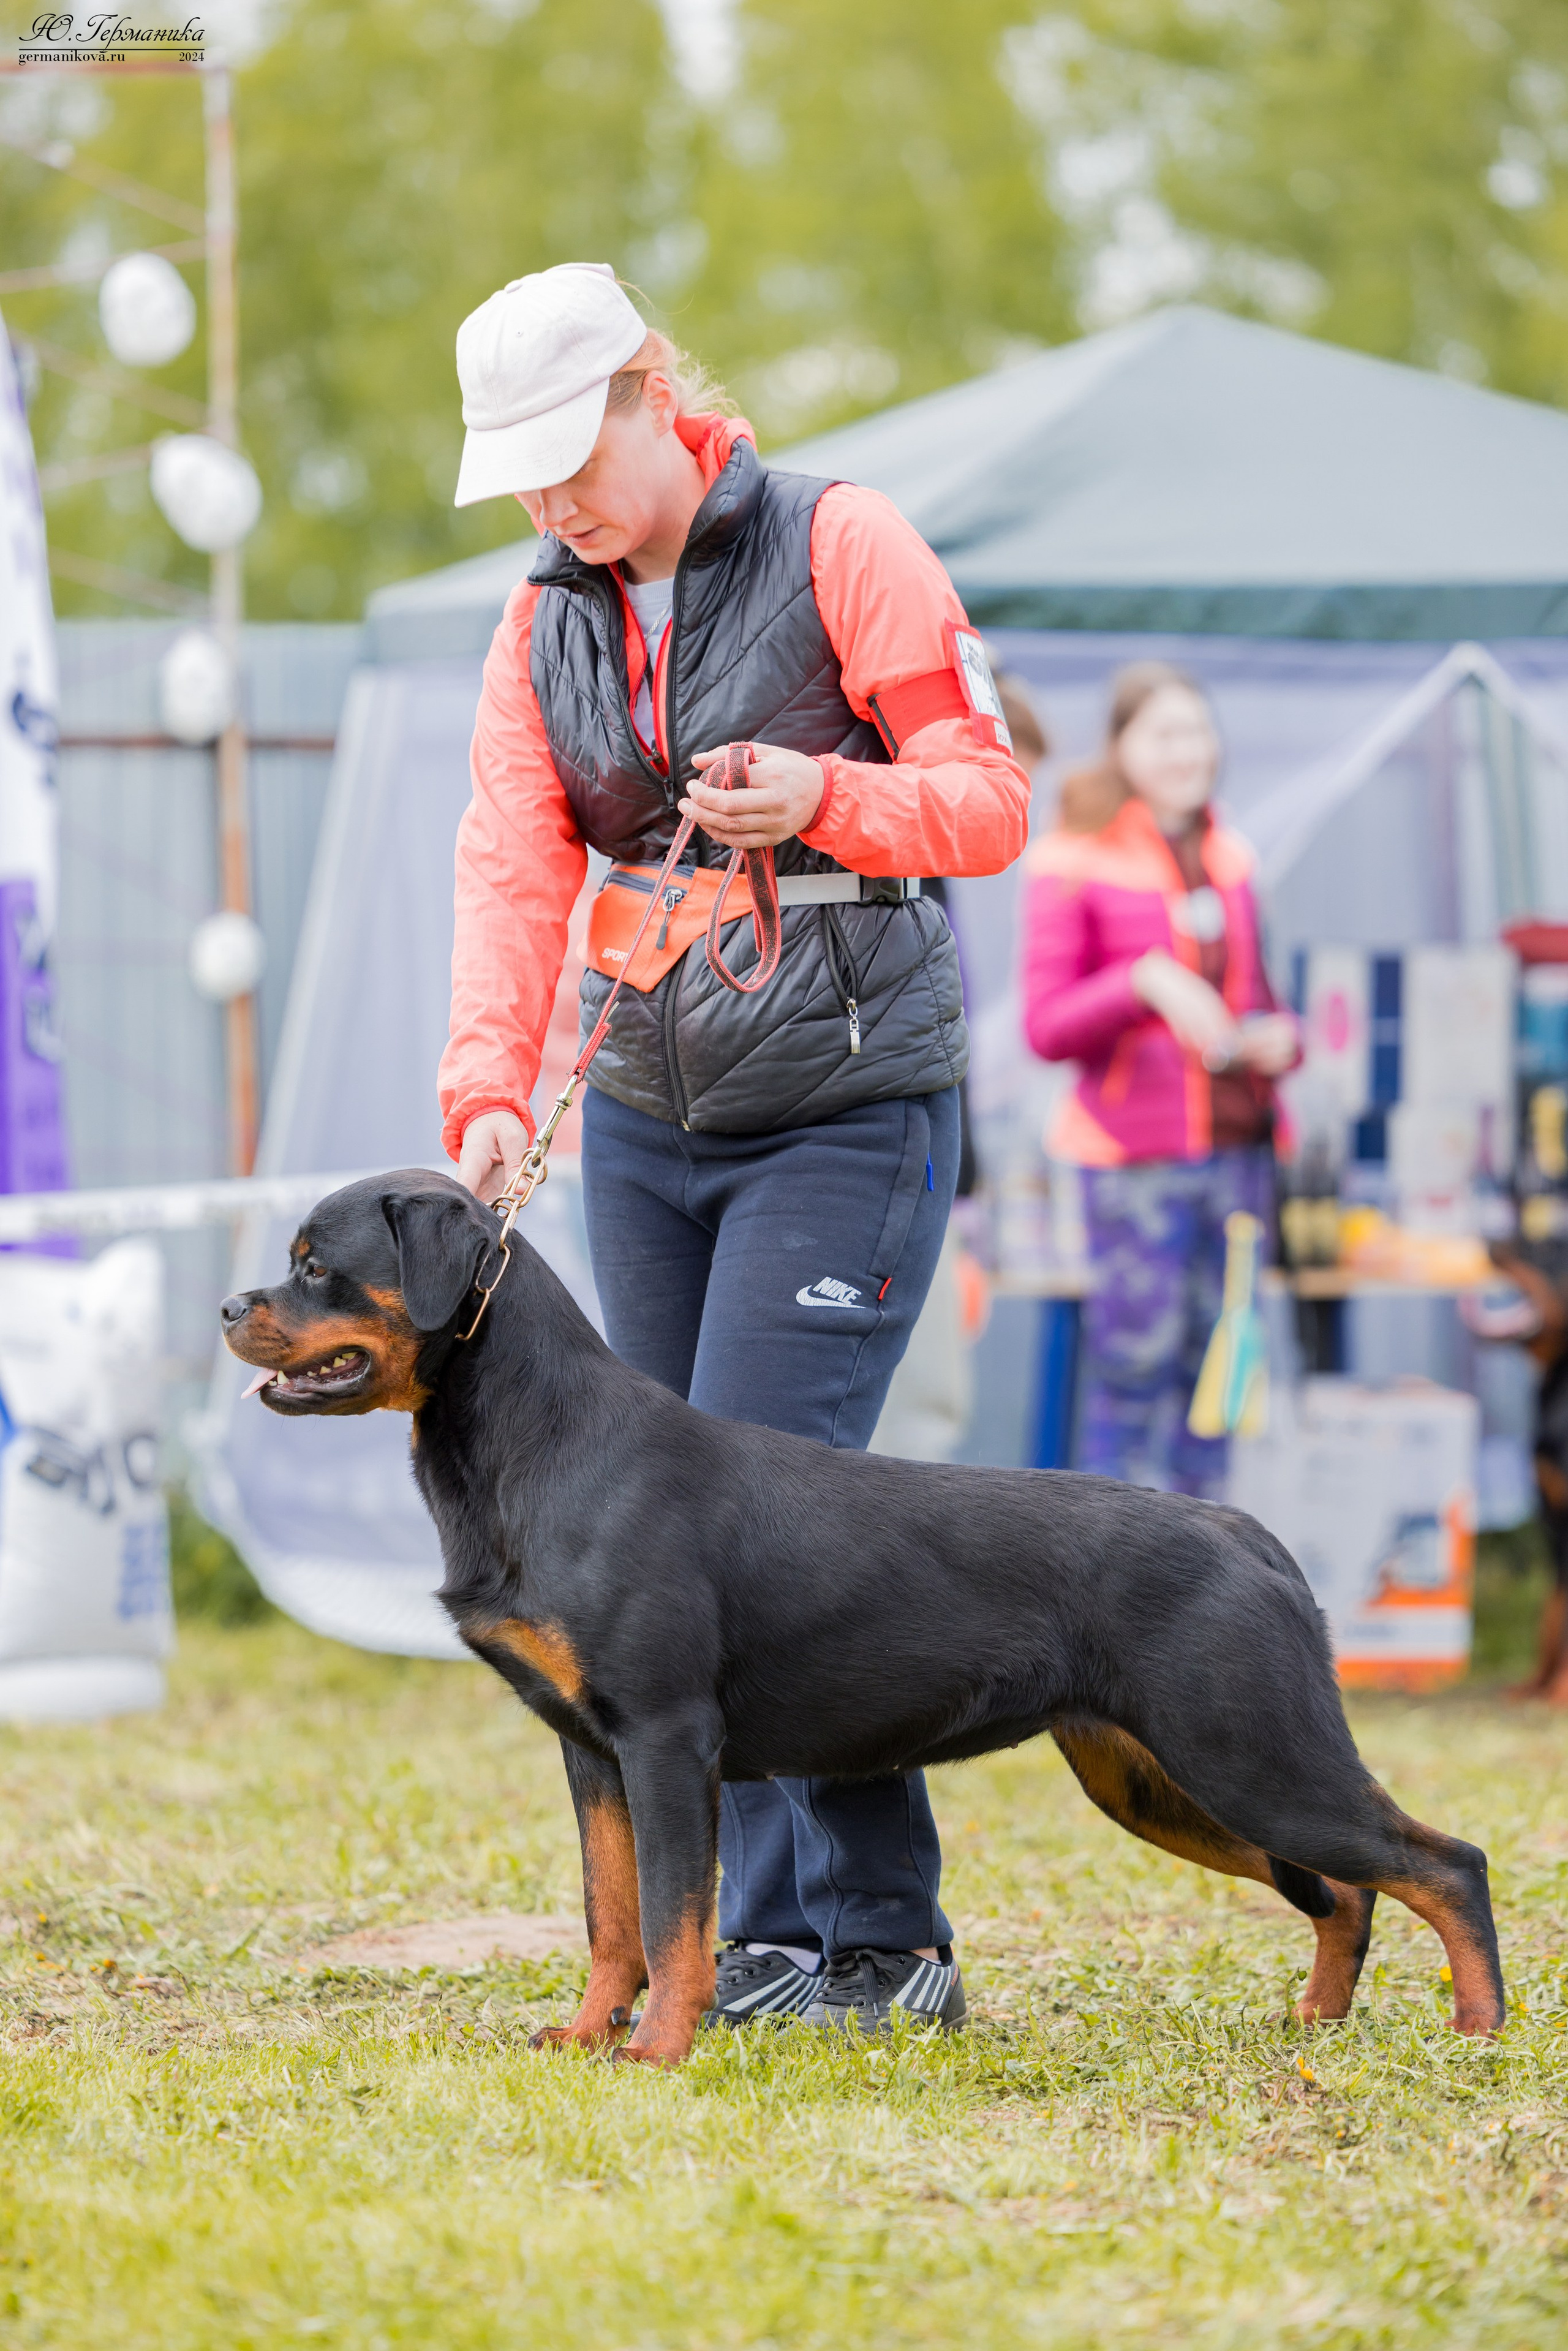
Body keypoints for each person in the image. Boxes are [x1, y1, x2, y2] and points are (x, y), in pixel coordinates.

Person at [439, 263, 1030, 2034]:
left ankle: (879, 1942)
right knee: (665, 1542)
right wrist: (486, 1086)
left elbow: (990, 797)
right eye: (519, 478)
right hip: (641, 1121)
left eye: (570, 458)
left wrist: (826, 793)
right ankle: (766, 1943)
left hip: (848, 1105)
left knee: (786, 1511)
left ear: (650, 389)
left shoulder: (846, 538)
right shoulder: (536, 623)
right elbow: (512, 867)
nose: (551, 504)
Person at [1021, 662, 1298, 1496]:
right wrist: (1141, 982)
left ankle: (1213, 1565)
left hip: (1238, 1156)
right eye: (1166, 733)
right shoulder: (1073, 857)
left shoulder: (1231, 856)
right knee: (1133, 1375)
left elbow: (1259, 996)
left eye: (1198, 731)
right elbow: (1045, 1027)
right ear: (1122, 746)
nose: (1188, 751)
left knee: (1222, 1372)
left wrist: (1282, 1040)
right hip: (1133, 1167)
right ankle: (1125, 1571)